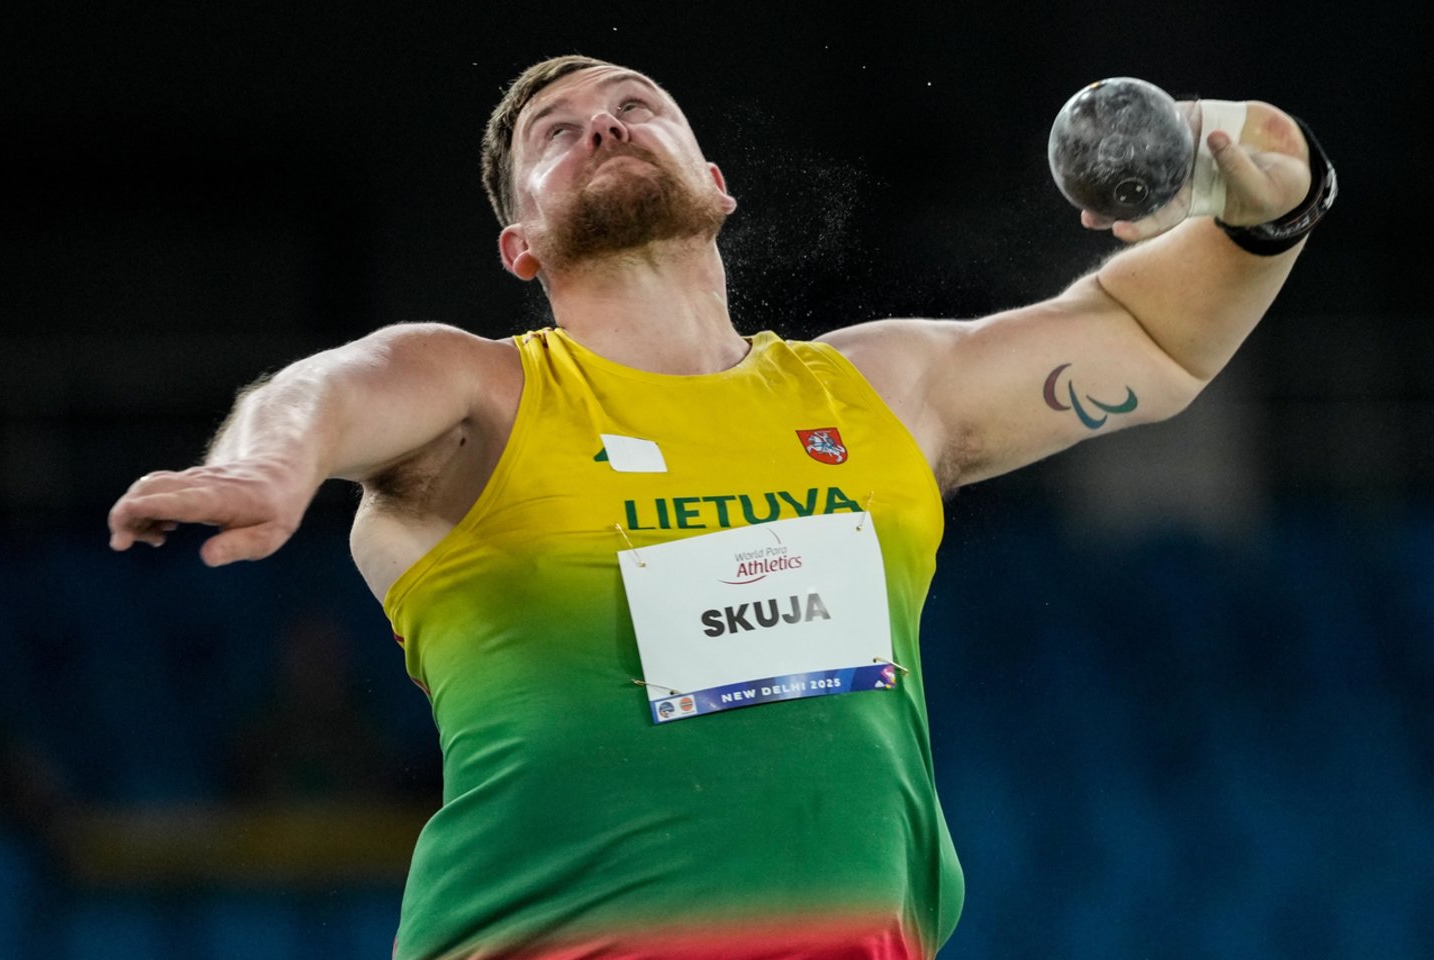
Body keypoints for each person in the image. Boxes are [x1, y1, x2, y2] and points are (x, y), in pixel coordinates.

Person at [108, 55, 1334, 960]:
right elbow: (330, 388)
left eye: (636, 106)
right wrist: (269, 462)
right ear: (520, 245)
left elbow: (1153, 343)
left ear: (714, 182)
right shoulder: (481, 398)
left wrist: (1272, 193)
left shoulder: (879, 392)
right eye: (556, 133)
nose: (603, 124)